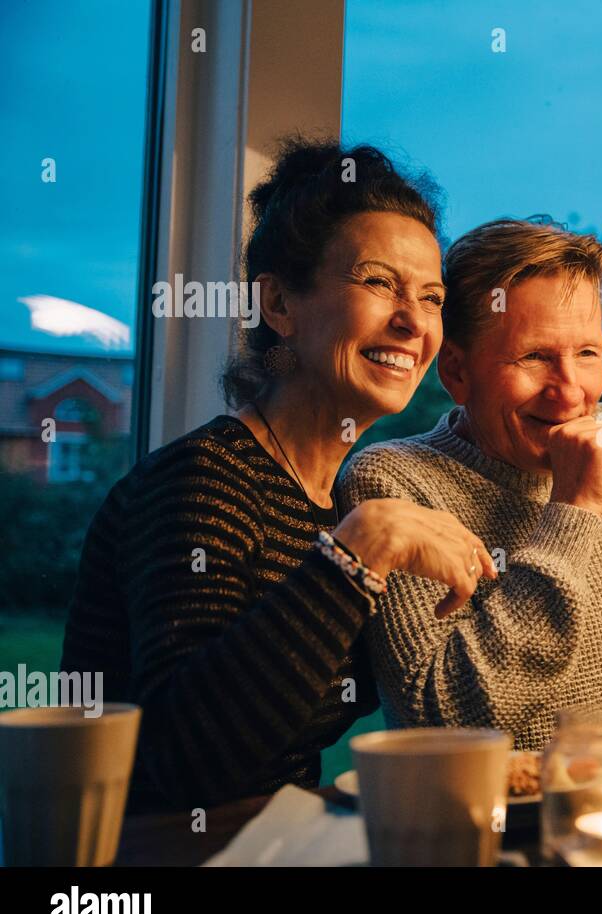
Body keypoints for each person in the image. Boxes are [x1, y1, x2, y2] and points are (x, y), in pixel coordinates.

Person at [61, 139, 497, 812]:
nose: (413, 321)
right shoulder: (203, 483)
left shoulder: (337, 498)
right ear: (280, 305)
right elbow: (185, 765)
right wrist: (360, 551)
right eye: (379, 283)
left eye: (431, 296)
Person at [340, 217, 602, 751]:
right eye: (535, 358)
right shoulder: (390, 482)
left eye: (587, 354)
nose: (570, 394)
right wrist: (573, 511)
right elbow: (442, 721)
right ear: (456, 372)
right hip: (503, 824)